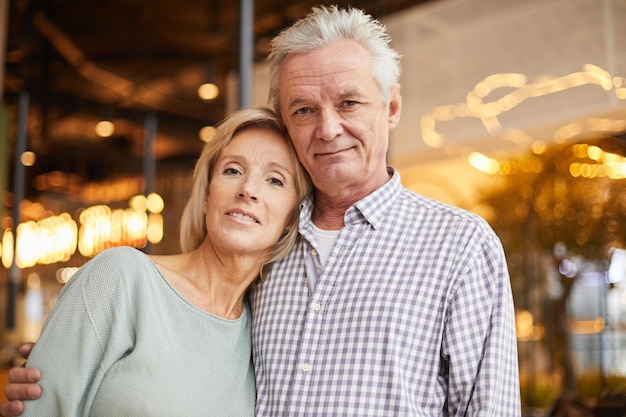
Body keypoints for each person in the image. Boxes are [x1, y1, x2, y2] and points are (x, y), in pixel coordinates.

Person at [1, 5, 522, 416]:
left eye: (349, 102)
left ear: (391, 106)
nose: (327, 128)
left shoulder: (460, 247)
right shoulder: (263, 254)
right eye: (303, 110)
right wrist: (56, 366)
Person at [0, 107, 311, 416]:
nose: (247, 190)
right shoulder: (121, 278)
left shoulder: (261, 334)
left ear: (293, 216)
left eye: (275, 180)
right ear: (206, 195)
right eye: (232, 170)